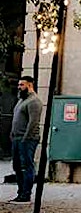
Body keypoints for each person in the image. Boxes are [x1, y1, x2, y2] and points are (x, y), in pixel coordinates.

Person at [9, 75, 41, 204]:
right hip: (17, 138)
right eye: (19, 85)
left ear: (29, 85)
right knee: (17, 166)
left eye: (22, 85)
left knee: (27, 165)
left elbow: (33, 123)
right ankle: (20, 192)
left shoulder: (34, 101)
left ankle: (26, 193)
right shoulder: (21, 100)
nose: (19, 87)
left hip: (27, 139)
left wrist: (26, 138)